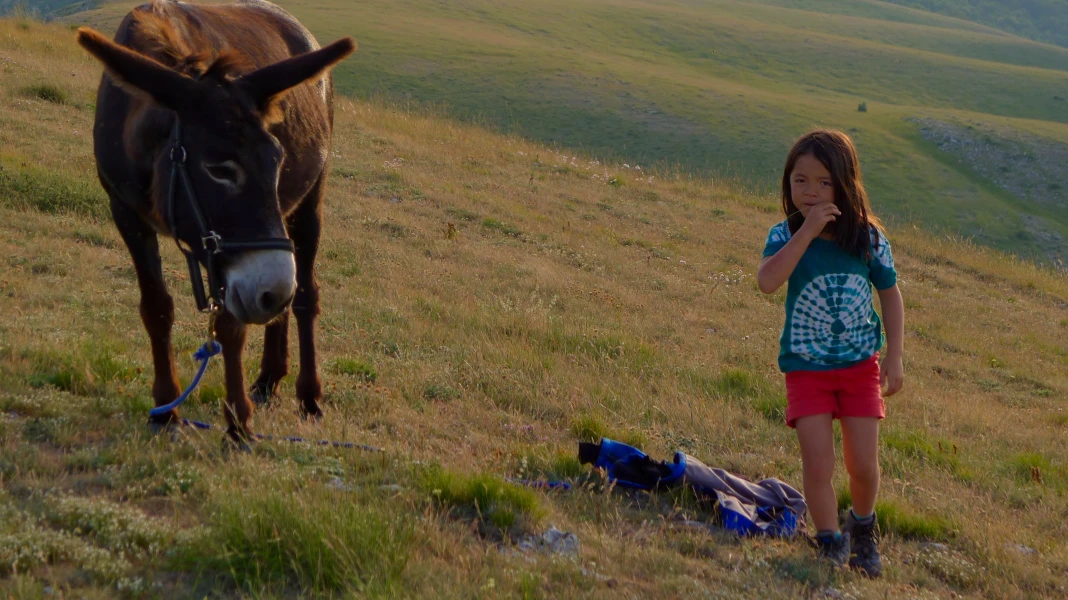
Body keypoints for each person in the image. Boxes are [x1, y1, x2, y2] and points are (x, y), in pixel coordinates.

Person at [757, 129, 904, 577]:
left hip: (860, 365)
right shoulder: (784, 234)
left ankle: (862, 527)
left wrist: (894, 357)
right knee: (817, 462)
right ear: (788, 183)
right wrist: (807, 232)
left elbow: (891, 296)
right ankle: (827, 539)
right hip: (806, 367)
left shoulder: (868, 238)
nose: (811, 191)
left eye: (823, 182)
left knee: (862, 464)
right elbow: (767, 281)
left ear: (845, 182)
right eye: (800, 180)